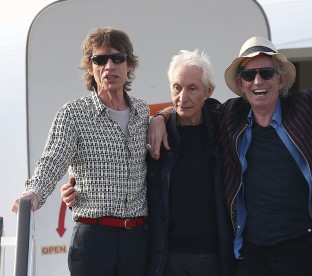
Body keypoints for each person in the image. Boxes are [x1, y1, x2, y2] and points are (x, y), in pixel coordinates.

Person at [148, 36, 312, 276]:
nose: (258, 81)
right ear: (242, 84)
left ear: (280, 80)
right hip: (251, 253)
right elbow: (191, 104)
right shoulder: (230, 116)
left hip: (301, 248)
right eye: (249, 75)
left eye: (266, 73)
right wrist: (161, 117)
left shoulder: (306, 107)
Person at [61, 49, 235, 276]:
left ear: (208, 91)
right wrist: (78, 190)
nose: (183, 97)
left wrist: (163, 114)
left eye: (192, 88)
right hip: (166, 257)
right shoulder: (152, 133)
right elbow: (119, 170)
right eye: (177, 88)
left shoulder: (224, 130)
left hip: (215, 257)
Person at [11, 27, 149, 275]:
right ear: (90, 66)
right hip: (93, 238)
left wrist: (163, 116)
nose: (110, 66)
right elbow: (53, 159)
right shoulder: (73, 114)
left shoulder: (143, 113)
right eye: (100, 59)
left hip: (137, 240)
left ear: (129, 65)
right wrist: (34, 192)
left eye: (118, 58)